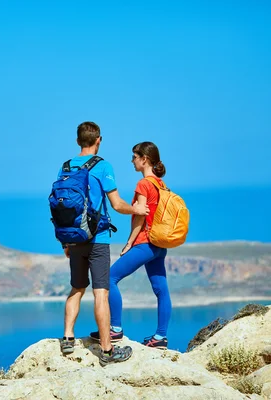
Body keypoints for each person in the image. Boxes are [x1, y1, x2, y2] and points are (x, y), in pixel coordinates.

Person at [59, 122, 149, 366]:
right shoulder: (103, 166)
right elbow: (118, 204)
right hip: (98, 238)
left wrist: (66, 241)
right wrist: (138, 208)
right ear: (98, 140)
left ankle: (68, 338)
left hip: (74, 239)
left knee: (77, 288)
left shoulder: (65, 167)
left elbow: (63, 208)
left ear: (78, 141)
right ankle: (107, 352)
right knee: (101, 292)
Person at [89, 141, 172, 349]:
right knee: (161, 289)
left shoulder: (143, 184)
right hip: (159, 244)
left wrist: (129, 243)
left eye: (135, 156)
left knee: (109, 278)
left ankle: (115, 329)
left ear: (144, 159)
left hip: (145, 242)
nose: (132, 160)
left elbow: (139, 216)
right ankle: (161, 337)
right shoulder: (161, 184)